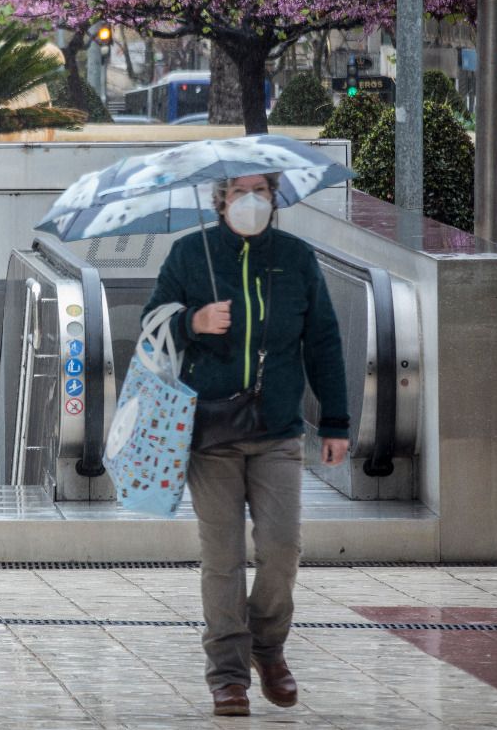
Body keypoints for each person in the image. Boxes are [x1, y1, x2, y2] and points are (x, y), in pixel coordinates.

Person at [141, 173, 350, 718]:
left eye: (261, 190)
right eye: (239, 191)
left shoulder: (296, 258)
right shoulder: (191, 254)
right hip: (211, 433)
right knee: (223, 559)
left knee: (282, 550)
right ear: (220, 200)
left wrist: (336, 421)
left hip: (278, 431)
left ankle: (267, 645)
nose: (250, 201)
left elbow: (323, 340)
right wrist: (194, 321)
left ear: (275, 198)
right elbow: (151, 324)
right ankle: (228, 674)